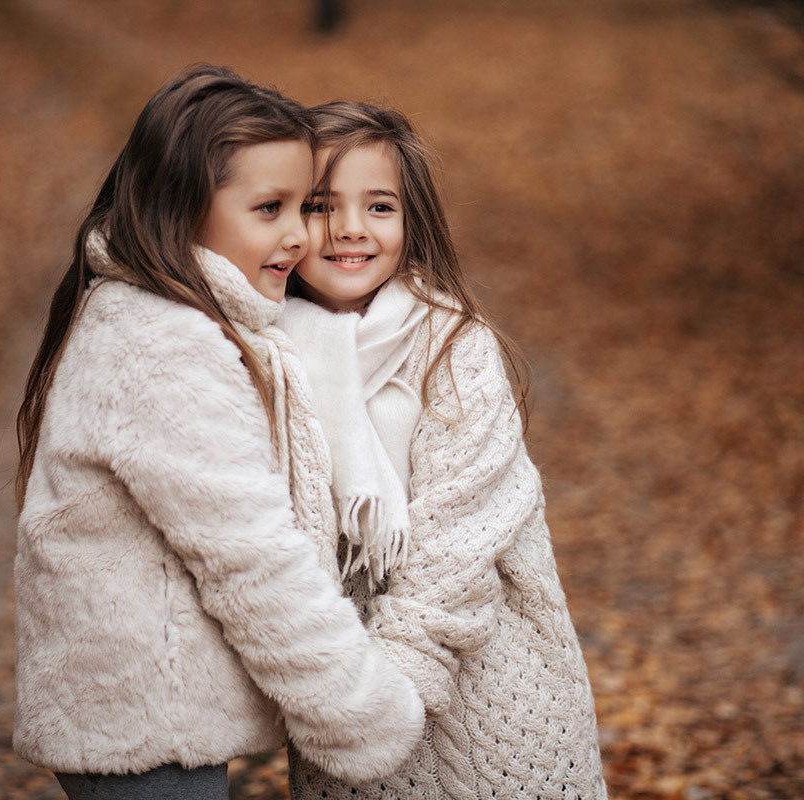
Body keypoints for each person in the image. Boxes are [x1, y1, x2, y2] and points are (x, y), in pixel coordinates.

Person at [11, 66, 424, 800]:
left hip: (146, 714)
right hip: (143, 725)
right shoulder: (165, 347)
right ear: (182, 208)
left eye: (304, 207)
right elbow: (253, 557)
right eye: (269, 208)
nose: (300, 236)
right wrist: (364, 713)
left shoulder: (159, 318)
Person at [277, 101, 608, 799]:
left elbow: (456, 546)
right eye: (319, 205)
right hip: (343, 713)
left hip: (488, 698)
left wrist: (384, 698)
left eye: (380, 206)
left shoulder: (453, 347)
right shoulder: (274, 359)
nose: (350, 230)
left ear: (413, 222)